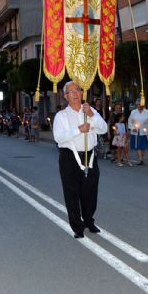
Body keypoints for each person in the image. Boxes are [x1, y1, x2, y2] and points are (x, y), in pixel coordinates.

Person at [53, 81, 108, 238]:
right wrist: (78, 130)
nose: (76, 94)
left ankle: (89, 221)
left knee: (90, 191)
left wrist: (91, 115)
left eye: (77, 90)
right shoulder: (61, 116)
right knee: (72, 192)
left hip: (89, 155)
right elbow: (59, 137)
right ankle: (77, 226)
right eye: (71, 92)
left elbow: (103, 128)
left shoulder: (89, 111)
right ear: (66, 96)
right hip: (70, 157)